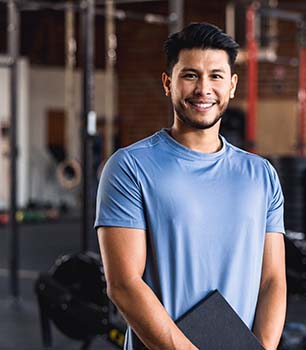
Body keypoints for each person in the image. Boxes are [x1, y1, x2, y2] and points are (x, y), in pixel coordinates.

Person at [95, 22, 286, 350]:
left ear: (232, 85)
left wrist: (262, 348)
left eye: (216, 76)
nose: (204, 89)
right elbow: (124, 284)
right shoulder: (129, 167)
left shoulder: (261, 175)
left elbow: (272, 281)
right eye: (190, 75)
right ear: (168, 83)